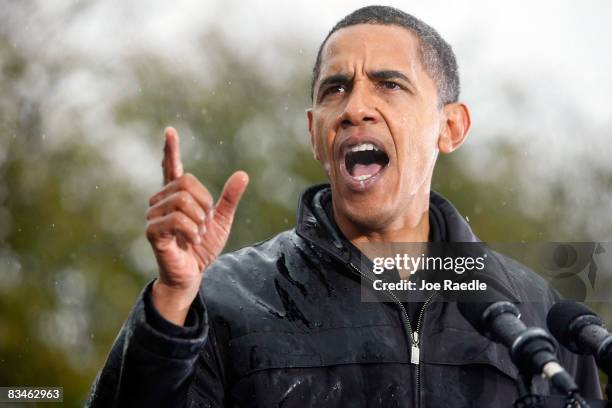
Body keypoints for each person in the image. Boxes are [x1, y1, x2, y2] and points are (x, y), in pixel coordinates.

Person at [87, 5, 602, 407]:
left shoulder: (537, 313)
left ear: (451, 127)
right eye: (336, 88)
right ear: (314, 132)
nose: (356, 107)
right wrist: (173, 300)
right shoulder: (223, 299)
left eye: (389, 84)